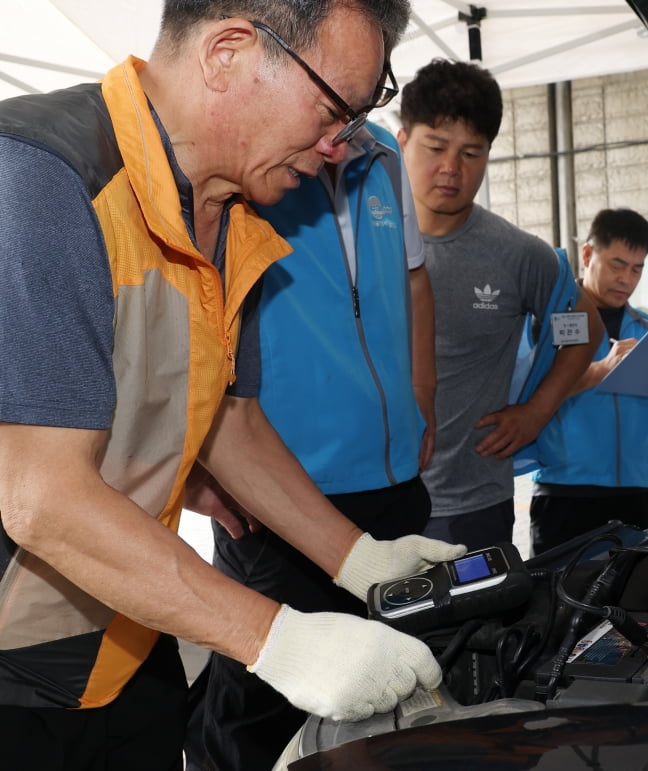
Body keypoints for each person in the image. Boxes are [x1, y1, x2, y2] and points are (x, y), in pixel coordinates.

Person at [0, 4, 467, 767]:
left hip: (127, 633)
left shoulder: (230, 217)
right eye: (332, 111)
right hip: (16, 675)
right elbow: (42, 497)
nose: (339, 147)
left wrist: (359, 559)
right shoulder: (42, 176)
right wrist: (277, 638)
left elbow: (231, 420)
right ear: (228, 54)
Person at [184, 119, 437, 769]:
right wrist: (200, 461)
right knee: (257, 703)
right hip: (278, 486)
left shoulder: (382, 158)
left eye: (364, 94)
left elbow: (413, 278)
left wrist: (420, 401)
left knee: (384, 701)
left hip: (391, 479)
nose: (340, 125)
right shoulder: (242, 163)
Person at [397, 58, 602, 550]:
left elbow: (584, 330)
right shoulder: (361, 240)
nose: (451, 168)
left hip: (471, 506)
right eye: (435, 146)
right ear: (401, 142)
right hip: (372, 499)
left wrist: (536, 410)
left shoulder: (516, 255)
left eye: (471, 153)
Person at [527, 209, 648, 554]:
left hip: (633, 492)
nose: (626, 279)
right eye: (617, 265)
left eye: (637, 269)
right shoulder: (549, 323)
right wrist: (600, 369)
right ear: (588, 255)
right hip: (564, 491)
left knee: (631, 598)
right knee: (558, 600)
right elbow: (531, 395)